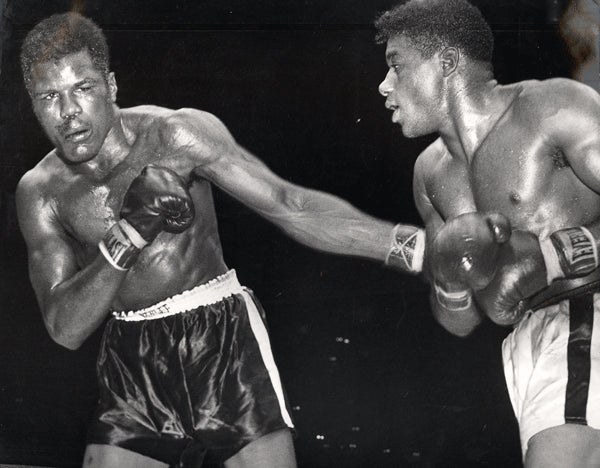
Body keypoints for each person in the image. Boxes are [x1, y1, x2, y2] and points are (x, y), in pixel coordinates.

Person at [16, 12, 427, 468]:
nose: (68, 111)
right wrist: (128, 234)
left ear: (111, 86)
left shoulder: (175, 134)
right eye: (49, 97)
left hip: (220, 337)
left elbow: (288, 204)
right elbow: (64, 327)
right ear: (33, 105)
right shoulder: (41, 192)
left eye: (83, 88)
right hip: (130, 360)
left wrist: (415, 249)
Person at [374, 0, 600, 466]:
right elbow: (462, 320)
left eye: (396, 66)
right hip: (527, 343)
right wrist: (452, 282)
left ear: (447, 62)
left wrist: (553, 257)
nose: (384, 86)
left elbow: (541, 263)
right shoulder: (430, 172)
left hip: (588, 312)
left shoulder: (549, 107)